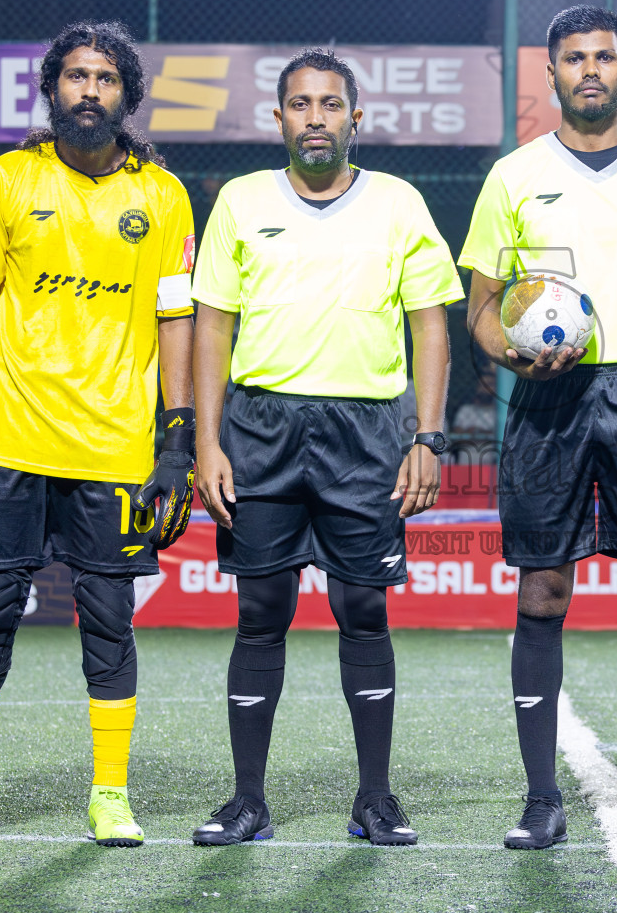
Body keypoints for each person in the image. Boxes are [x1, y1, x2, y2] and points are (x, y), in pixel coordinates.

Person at [0, 21, 197, 849]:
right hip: (7, 440)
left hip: (111, 446)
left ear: (127, 98)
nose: (89, 90)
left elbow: (177, 320)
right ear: (53, 88)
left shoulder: (163, 197)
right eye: (76, 76)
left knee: (108, 620)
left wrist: (177, 439)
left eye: (106, 78)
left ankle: (110, 794)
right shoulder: (4, 180)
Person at [459, 5, 617, 850]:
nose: (591, 70)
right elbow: (483, 312)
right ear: (553, 74)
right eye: (575, 58)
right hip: (548, 399)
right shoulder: (514, 176)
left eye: (604, 56)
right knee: (543, 589)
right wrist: (512, 353)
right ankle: (541, 799)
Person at [189, 50, 461, 847]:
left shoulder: (399, 203)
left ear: (355, 119)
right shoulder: (240, 201)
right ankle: (247, 801)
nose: (316, 117)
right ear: (278, 119)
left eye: (331, 104)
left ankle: (374, 798)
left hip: (367, 434)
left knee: (362, 610)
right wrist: (207, 440)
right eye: (301, 104)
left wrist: (429, 437)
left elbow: (431, 323)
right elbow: (212, 325)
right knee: (260, 611)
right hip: (262, 429)